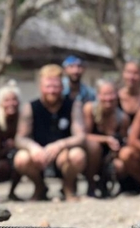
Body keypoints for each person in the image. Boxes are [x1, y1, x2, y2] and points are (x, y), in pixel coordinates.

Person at [14, 63, 87, 201]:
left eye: (56, 86)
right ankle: (40, 187)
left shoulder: (74, 105)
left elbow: (80, 136)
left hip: (63, 155)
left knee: (78, 155)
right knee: (21, 158)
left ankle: (68, 187)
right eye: (48, 86)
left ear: (62, 87)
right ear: (41, 87)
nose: (52, 91)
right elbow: (20, 138)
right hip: (39, 155)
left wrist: (59, 145)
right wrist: (33, 148)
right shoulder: (30, 107)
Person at [82, 79, 130, 198]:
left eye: (111, 94)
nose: (108, 98)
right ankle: (91, 184)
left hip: (110, 156)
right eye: (104, 94)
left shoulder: (123, 118)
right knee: (94, 147)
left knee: (120, 165)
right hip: (90, 154)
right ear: (98, 95)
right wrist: (106, 139)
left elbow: (125, 141)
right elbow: (84, 135)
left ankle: (108, 184)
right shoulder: (89, 109)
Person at [0, 80, 23, 199]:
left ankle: (12, 192)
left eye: (14, 100)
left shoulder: (22, 118)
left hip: (15, 154)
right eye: (7, 100)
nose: (11, 103)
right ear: (0, 103)